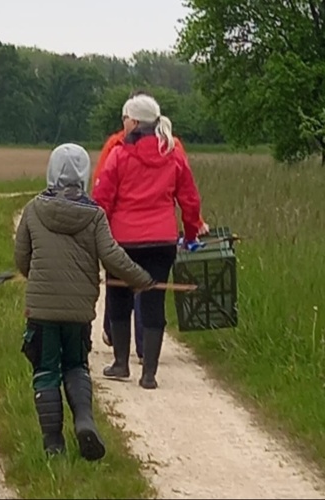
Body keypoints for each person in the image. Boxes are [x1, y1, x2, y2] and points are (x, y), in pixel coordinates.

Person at [14, 143, 156, 459]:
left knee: (46, 370)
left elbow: (21, 257)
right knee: (77, 366)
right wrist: (141, 279)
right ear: (84, 176)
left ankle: (53, 445)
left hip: (41, 311)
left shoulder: (33, 209)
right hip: (79, 313)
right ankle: (84, 421)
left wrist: (33, 275)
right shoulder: (94, 215)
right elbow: (112, 257)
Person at [91, 94, 205, 390]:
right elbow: (190, 200)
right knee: (154, 300)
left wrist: (96, 239)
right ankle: (149, 374)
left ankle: (120, 364)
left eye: (126, 118)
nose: (123, 123)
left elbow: (102, 200)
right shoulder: (174, 153)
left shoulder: (119, 155)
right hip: (161, 240)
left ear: (136, 122)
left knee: (119, 298)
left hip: (122, 241)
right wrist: (191, 235)